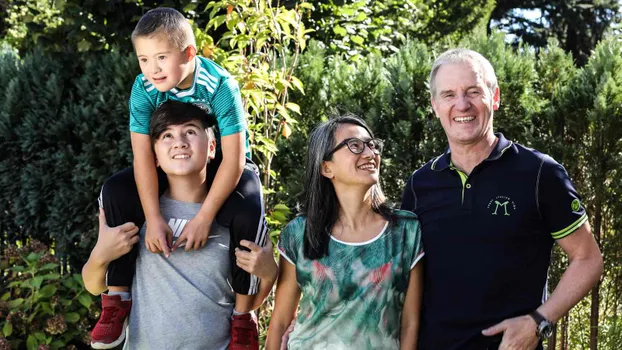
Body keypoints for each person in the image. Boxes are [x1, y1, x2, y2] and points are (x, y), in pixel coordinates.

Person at [89, 8, 268, 349]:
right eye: (143, 59)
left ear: (189, 53)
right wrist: (154, 219)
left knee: (249, 206)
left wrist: (204, 217)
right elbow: (143, 158)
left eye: (161, 57)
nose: (151, 69)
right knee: (115, 190)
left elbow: (233, 159)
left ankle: (243, 317)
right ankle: (117, 299)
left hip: (219, 161)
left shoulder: (220, 85)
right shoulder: (143, 89)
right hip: (168, 159)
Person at [400, 48, 603, 350]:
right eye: (448, 95)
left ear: (494, 97)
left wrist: (539, 321)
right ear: (434, 106)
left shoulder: (539, 174)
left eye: (473, 91)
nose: (462, 104)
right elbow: (407, 278)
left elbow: (588, 259)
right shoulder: (420, 184)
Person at [82, 101, 278, 349]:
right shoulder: (138, 212)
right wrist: (101, 255)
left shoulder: (237, 217)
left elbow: (252, 300)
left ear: (212, 148)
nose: (179, 142)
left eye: (190, 131)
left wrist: (270, 273)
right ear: (153, 156)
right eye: (167, 135)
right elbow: (93, 284)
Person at [266, 115, 425, 350]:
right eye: (355, 146)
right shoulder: (300, 233)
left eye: (372, 145)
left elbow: (410, 324)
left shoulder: (406, 231)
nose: (370, 154)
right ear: (326, 167)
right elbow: (280, 322)